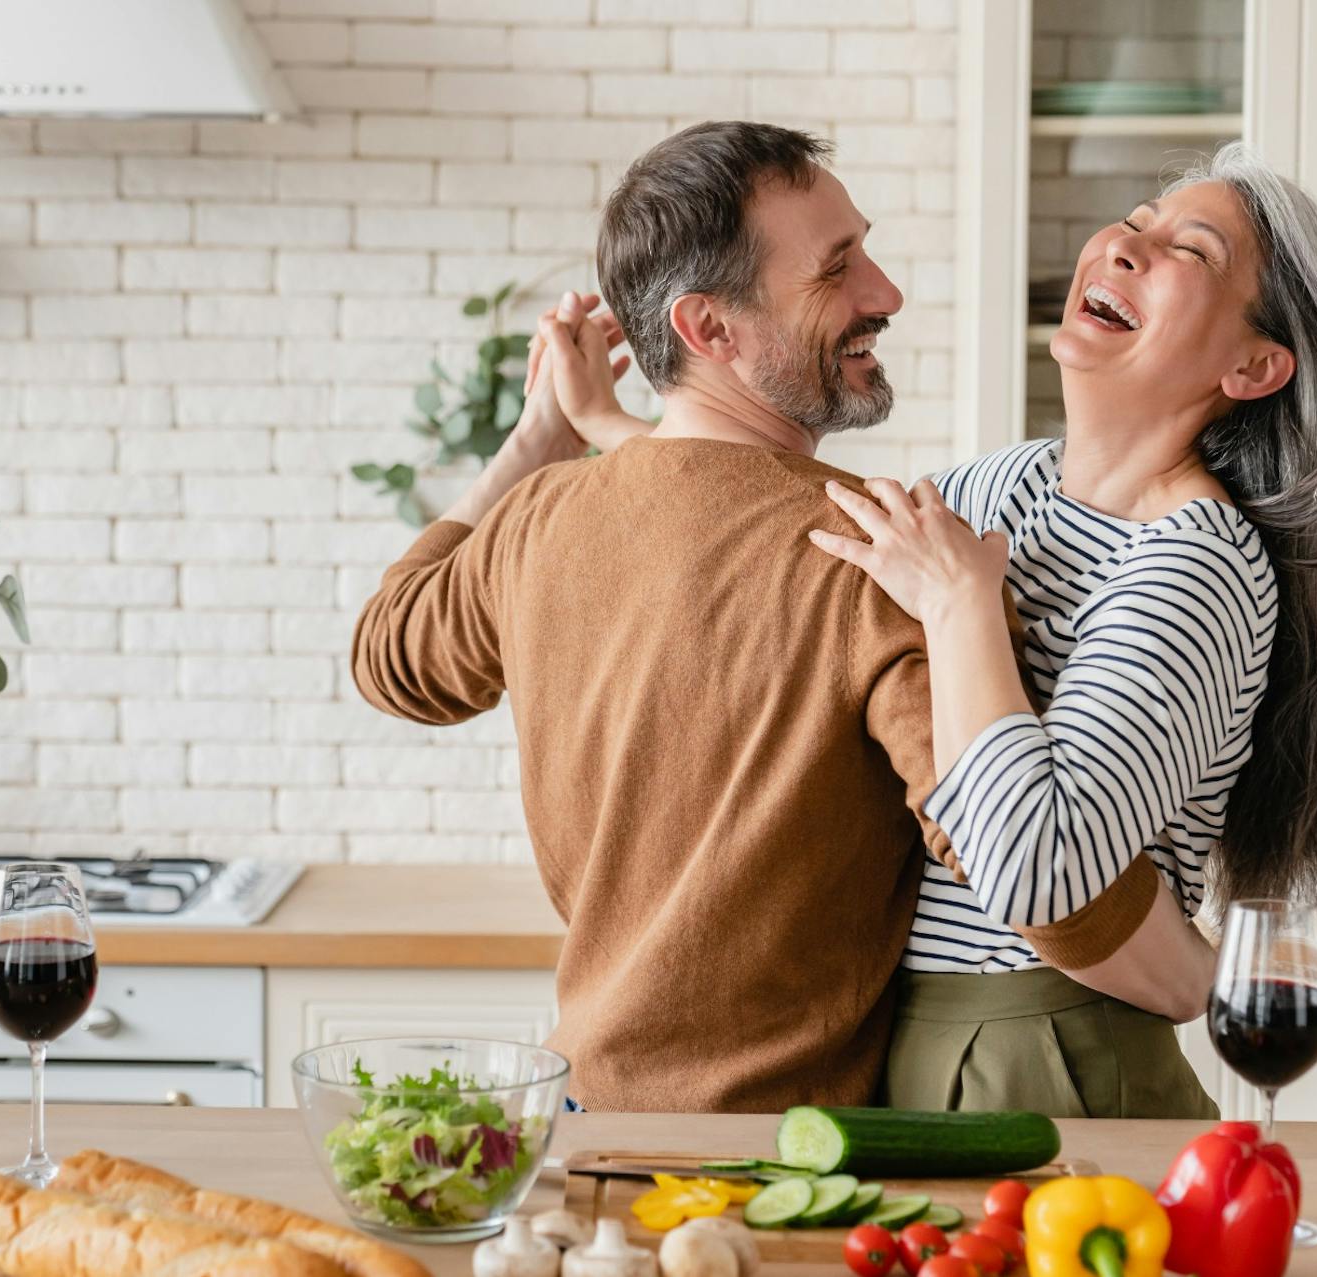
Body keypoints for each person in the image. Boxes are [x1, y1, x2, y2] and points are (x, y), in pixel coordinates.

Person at [350, 122, 1203, 1114]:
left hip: (581, 1120)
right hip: (772, 1162)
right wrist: (1202, 977)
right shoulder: (875, 557)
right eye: (837, 271)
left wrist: (537, 437)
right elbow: (1029, 867)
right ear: (710, 330)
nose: (884, 293)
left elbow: (388, 654)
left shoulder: (537, 520)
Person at [802, 142, 1317, 1113]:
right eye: (1137, 218)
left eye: (1186, 250)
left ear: (1253, 364)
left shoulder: (1197, 565)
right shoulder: (997, 485)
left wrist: (957, 606)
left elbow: (1041, 868)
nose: (1121, 244)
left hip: (1047, 1053)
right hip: (900, 1037)